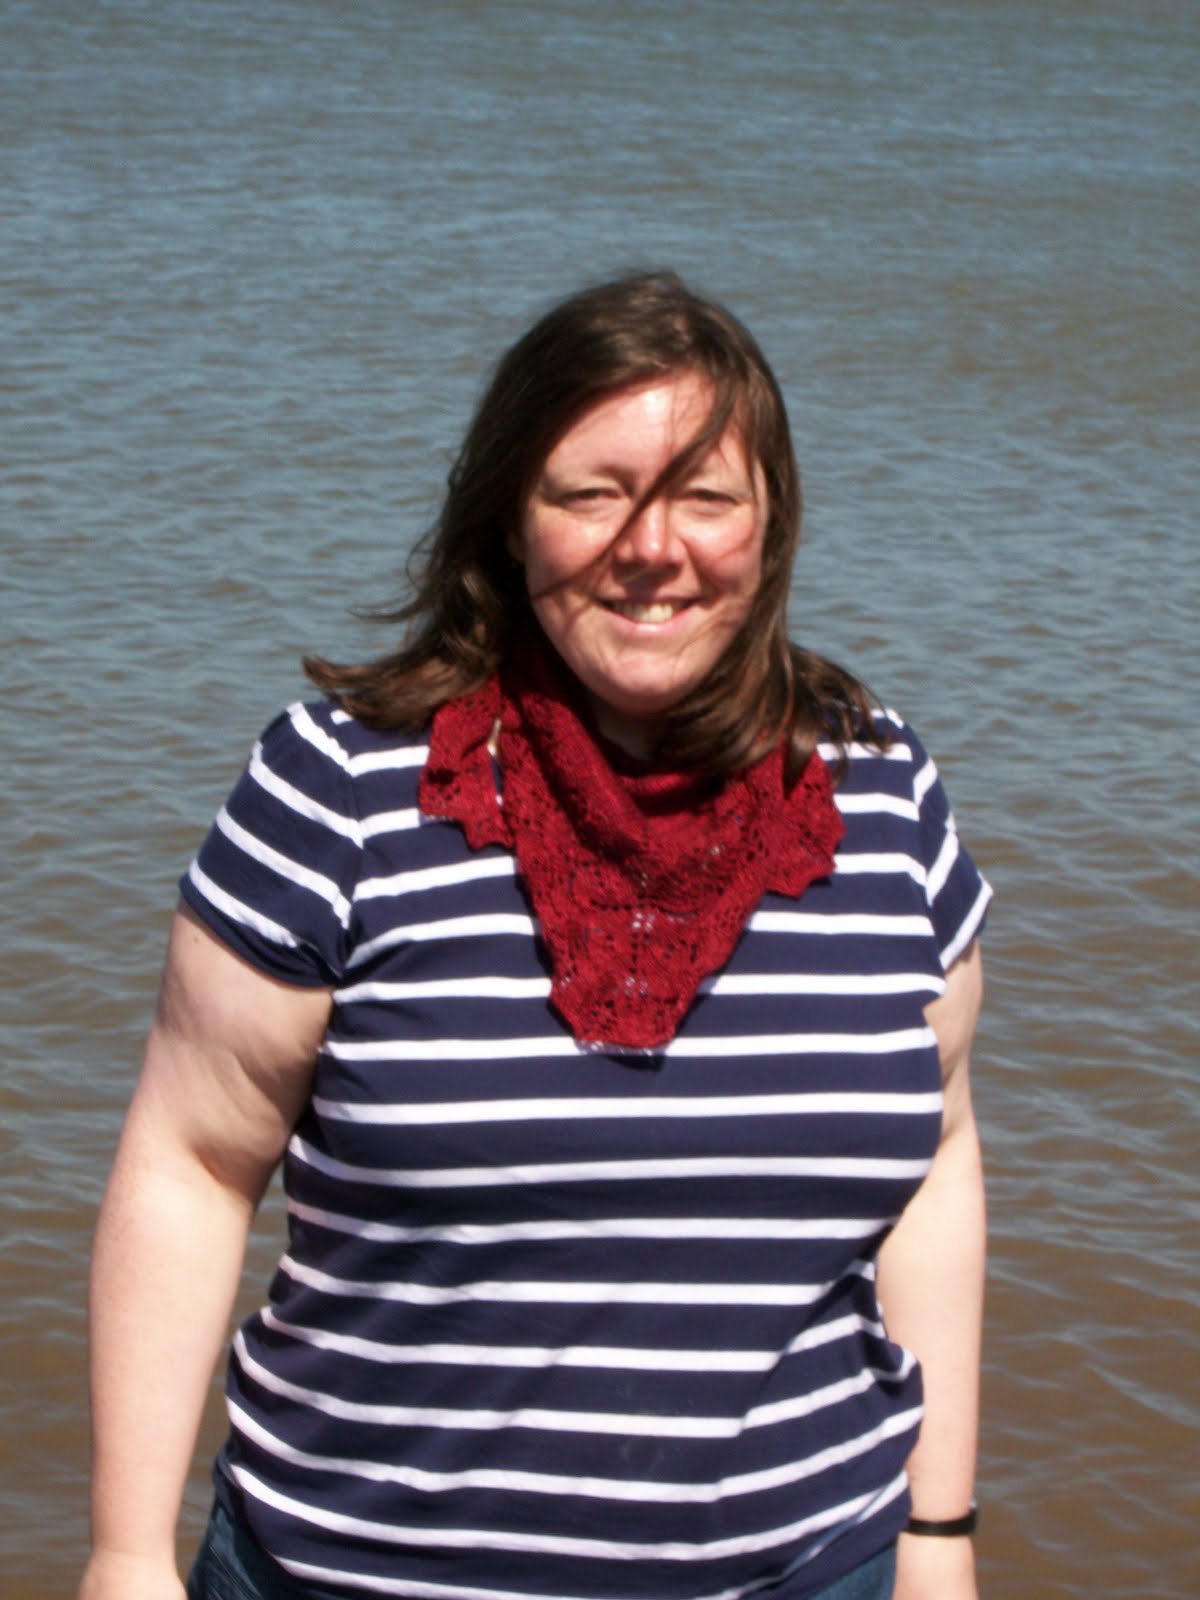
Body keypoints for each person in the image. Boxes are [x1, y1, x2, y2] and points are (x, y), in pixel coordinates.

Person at [81, 272, 991, 1600]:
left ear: (773, 523)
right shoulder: (339, 789)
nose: (651, 546)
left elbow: (938, 1160)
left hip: (813, 1567)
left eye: (705, 496)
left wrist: (939, 1533)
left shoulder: (882, 791)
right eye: (591, 493)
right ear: (511, 517)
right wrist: (125, 1554)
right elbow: (191, 1165)